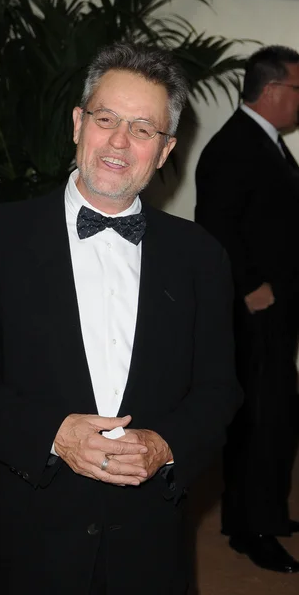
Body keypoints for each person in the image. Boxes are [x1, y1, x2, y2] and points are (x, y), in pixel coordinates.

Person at [0, 42, 241, 595]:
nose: (119, 142)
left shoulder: (200, 255)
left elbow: (219, 390)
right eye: (106, 119)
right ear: (78, 123)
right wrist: (54, 434)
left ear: (165, 151)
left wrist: (165, 444)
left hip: (152, 539)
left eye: (143, 129)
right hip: (33, 534)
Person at [195, 45, 299, 573]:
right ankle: (249, 529)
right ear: (275, 90)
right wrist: (248, 286)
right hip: (255, 311)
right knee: (257, 422)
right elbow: (214, 226)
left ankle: (270, 512)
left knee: (279, 415)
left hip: (277, 311)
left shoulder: (268, 143)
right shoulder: (233, 145)